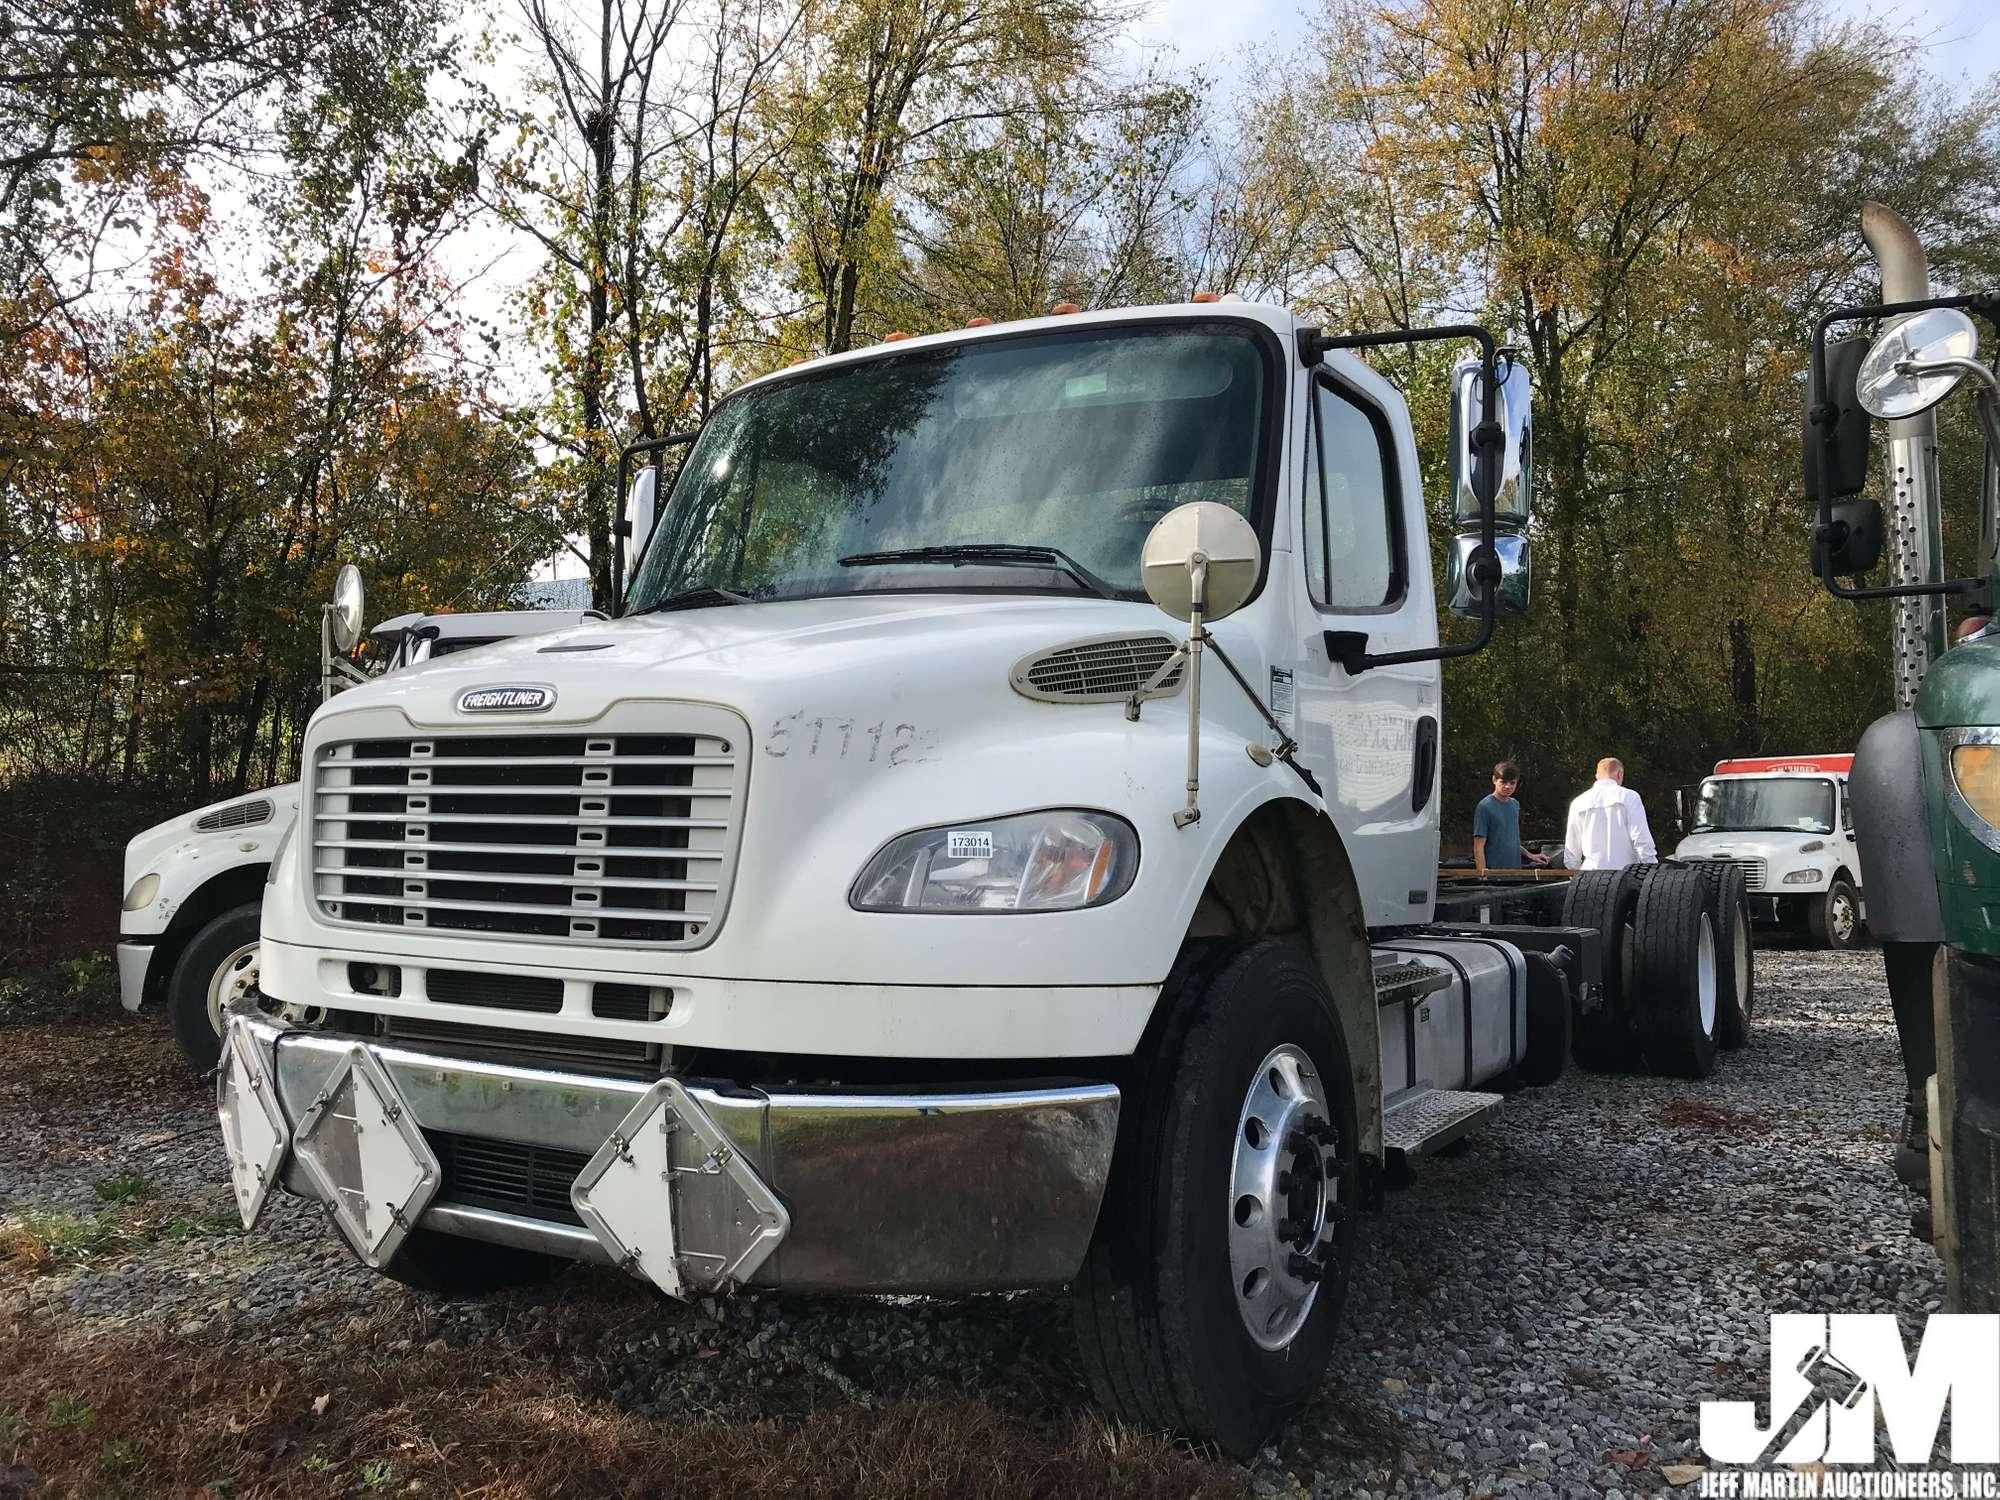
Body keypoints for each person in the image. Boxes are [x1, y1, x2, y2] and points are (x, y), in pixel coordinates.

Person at [1561, 757, 1658, 871]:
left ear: (1597, 776)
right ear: (1620, 774)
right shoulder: (1629, 797)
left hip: (1589, 878)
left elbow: (1571, 853)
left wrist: (1578, 878)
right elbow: (1641, 839)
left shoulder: (1578, 802)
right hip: (1625, 876)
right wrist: (1651, 869)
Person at [1472, 761, 1548, 872]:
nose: (1508, 786)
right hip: (1494, 874)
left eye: (1512, 783)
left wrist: (1531, 855)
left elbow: (1510, 840)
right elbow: (1478, 847)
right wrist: (1483, 876)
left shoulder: (1515, 805)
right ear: (1494, 780)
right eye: (1503, 782)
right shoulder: (1484, 807)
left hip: (1515, 872)